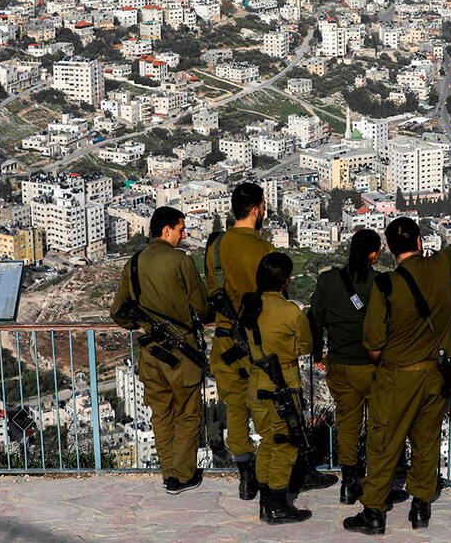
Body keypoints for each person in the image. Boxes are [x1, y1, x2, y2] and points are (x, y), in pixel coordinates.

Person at [344, 209, 451, 535]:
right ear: (419, 241)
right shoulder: (442, 265)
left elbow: (372, 346)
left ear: (388, 246)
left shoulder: (385, 286)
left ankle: (374, 512)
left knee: (384, 441)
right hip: (435, 376)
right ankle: (420, 508)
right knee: (427, 442)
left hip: (396, 376)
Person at [110, 206, 209, 495]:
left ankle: (170, 474)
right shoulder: (181, 261)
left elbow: (118, 312)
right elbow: (201, 307)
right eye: (181, 229)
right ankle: (183, 474)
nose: (184, 234)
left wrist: (141, 323)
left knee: (161, 415)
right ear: (166, 231)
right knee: (188, 414)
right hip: (182, 354)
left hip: (151, 354)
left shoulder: (136, 262)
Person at [310, 229, 406, 507]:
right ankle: (378, 485)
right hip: (374, 368)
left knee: (348, 425)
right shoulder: (382, 283)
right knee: (379, 426)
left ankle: (349, 485)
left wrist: (318, 351)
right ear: (373, 254)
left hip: (340, 365)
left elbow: (314, 319)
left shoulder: (328, 280)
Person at [205, 182, 274, 500]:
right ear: (258, 208)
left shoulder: (216, 247)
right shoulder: (263, 250)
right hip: (257, 341)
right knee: (267, 407)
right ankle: (274, 474)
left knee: (235, 410)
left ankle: (246, 477)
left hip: (223, 342)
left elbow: (211, 292)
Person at [241, 253, 313, 524]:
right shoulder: (291, 311)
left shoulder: (250, 306)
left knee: (268, 443)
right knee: (286, 444)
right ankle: (276, 504)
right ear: (285, 282)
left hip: (256, 382)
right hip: (283, 384)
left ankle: (265, 501)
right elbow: (306, 346)